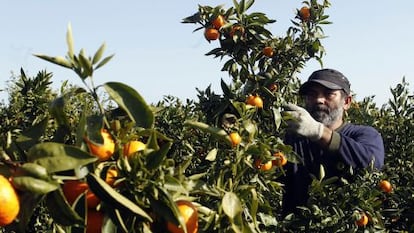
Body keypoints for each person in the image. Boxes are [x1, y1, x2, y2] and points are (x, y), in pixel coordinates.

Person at [281, 68, 385, 216]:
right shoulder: (294, 139)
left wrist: (319, 132)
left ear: (347, 102)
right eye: (312, 94)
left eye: (329, 94)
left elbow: (371, 162)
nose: (319, 99)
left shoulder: (364, 134)